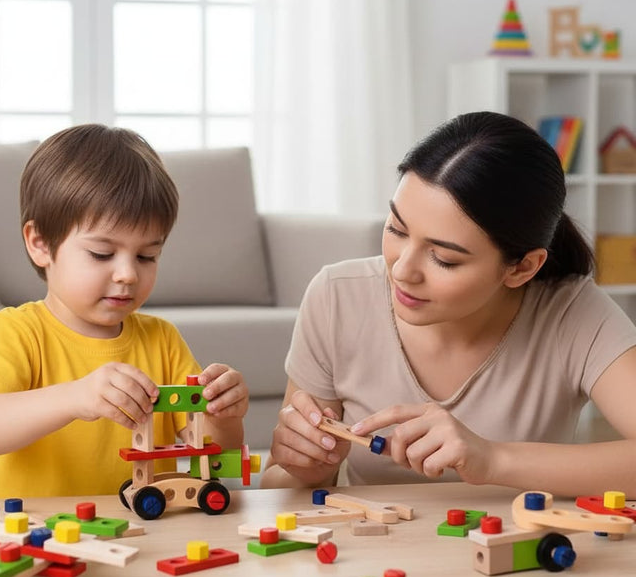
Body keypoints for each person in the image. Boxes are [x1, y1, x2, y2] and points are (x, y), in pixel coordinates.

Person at [261, 111, 636, 497]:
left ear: (522, 267)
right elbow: (278, 486)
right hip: (374, 554)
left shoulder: (571, 312)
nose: (403, 270)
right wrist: (305, 467)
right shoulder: (337, 297)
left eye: (445, 258)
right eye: (396, 229)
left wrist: (492, 460)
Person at [0, 124, 248, 499]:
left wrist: (225, 416)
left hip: (150, 535)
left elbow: (216, 455)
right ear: (40, 243)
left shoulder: (162, 339)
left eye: (147, 256)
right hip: (40, 539)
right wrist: (76, 397)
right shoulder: (17, 331)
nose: (127, 274)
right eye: (101, 254)